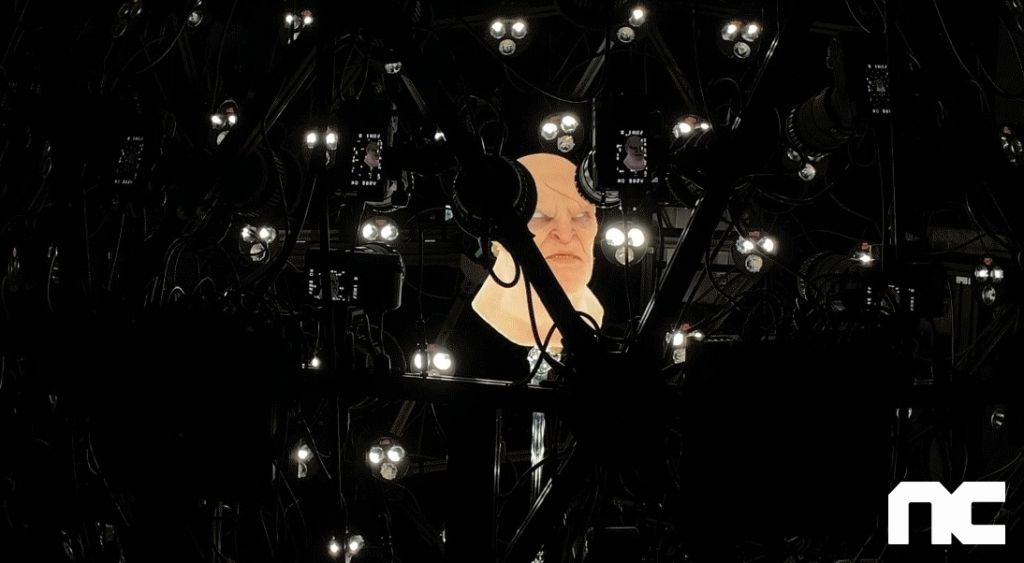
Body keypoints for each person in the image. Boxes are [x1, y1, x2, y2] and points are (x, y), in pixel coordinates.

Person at [470, 153, 604, 351]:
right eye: (539, 216)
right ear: (495, 232)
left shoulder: (594, 313)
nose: (565, 235)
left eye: (581, 216)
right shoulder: (477, 330)